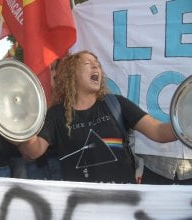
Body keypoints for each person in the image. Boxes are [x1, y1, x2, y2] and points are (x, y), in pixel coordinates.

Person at [17, 50, 178, 183]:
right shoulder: (56, 114)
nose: (96, 66)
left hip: (124, 205)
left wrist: (185, 124)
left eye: (98, 65)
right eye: (88, 64)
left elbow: (158, 132)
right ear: (71, 74)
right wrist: (19, 123)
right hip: (81, 207)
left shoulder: (116, 104)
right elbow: (34, 151)